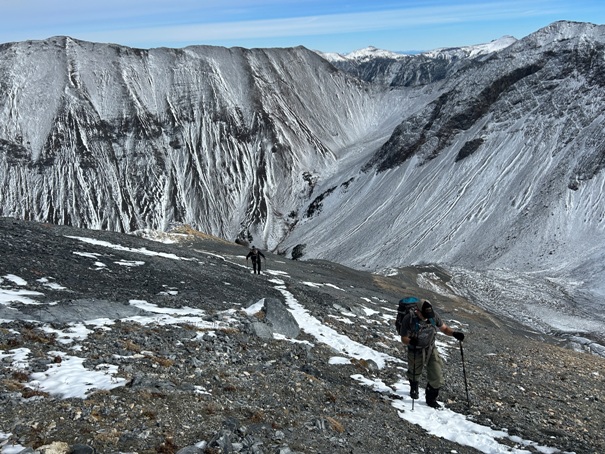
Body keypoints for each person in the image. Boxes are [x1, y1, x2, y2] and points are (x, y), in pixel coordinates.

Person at [399, 299, 465, 408]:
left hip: (430, 349)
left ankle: (431, 400)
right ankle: (414, 388)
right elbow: (403, 338)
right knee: (414, 373)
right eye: (424, 315)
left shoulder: (433, 316)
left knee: (437, 376)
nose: (426, 318)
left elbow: (444, 328)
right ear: (417, 311)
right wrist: (411, 341)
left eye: (428, 315)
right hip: (415, 350)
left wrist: (454, 333)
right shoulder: (409, 319)